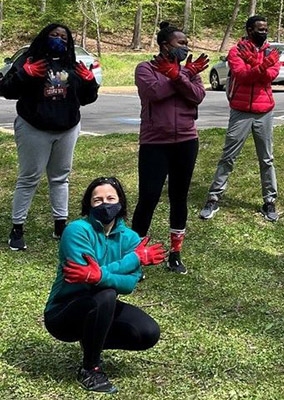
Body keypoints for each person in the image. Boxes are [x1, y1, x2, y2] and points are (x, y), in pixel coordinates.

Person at [43, 177, 167, 393]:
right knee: (106, 293)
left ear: (121, 203)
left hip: (101, 306)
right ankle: (90, 368)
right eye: (97, 200)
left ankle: (91, 340)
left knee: (147, 332)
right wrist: (134, 259)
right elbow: (83, 277)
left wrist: (99, 275)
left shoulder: (130, 238)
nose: (105, 204)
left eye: (111, 198)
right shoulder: (76, 231)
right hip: (63, 312)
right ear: (88, 204)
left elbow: (128, 284)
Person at [0, 23, 99, 250]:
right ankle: (17, 228)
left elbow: (85, 98)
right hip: (34, 127)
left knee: (60, 177)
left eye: (64, 37)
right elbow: (6, 89)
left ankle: (60, 226)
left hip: (67, 128)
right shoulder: (28, 60)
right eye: (54, 35)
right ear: (44, 37)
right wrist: (24, 75)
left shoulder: (73, 64)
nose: (59, 40)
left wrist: (90, 83)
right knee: (29, 178)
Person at [132, 21, 207, 274]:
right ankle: (135, 254)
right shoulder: (145, 69)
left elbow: (197, 96)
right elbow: (154, 93)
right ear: (165, 45)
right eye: (181, 43)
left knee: (179, 196)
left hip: (186, 140)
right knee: (149, 197)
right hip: (155, 142)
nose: (185, 48)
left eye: (186, 43)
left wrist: (181, 74)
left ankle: (175, 253)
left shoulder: (190, 70)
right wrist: (178, 76)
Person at [199, 15, 282, 221]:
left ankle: (269, 200)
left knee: (267, 158)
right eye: (259, 29)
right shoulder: (236, 51)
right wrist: (261, 65)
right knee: (228, 156)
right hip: (241, 111)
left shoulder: (272, 51)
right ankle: (214, 197)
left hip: (264, 111)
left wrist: (257, 64)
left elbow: (271, 76)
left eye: (265, 29)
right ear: (249, 30)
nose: (263, 32)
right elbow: (242, 75)